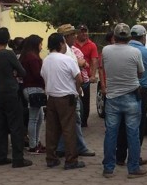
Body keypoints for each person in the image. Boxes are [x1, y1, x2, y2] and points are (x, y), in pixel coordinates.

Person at [100, 23, 146, 179]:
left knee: (111, 133)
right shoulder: (135, 52)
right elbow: (140, 73)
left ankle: (108, 168)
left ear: (114, 36)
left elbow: (103, 68)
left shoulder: (106, 50)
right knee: (133, 133)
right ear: (129, 37)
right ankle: (133, 168)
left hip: (112, 97)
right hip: (132, 96)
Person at [0, 27, 31, 168]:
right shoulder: (9, 54)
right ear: (7, 39)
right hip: (12, 92)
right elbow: (22, 72)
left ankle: (0, 156)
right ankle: (18, 158)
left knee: (0, 125)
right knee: (16, 126)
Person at [41, 33, 85, 170]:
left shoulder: (46, 60)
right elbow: (79, 78)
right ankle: (71, 159)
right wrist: (77, 90)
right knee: (68, 129)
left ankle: (51, 158)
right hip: (66, 97)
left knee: (51, 129)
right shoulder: (67, 60)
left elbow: (43, 76)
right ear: (61, 44)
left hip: (51, 97)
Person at [115, 24, 147, 167]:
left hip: (120, 90)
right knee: (138, 126)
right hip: (140, 92)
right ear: (143, 37)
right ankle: (135, 157)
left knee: (121, 125)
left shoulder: (119, 50)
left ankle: (119, 157)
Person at [55, 24, 94, 157]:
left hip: (70, 90)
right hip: (70, 90)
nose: (75, 36)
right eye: (73, 35)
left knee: (69, 120)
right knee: (75, 119)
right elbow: (75, 72)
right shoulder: (65, 52)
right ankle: (80, 147)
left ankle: (61, 147)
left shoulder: (70, 50)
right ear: (66, 37)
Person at [20, 35, 46, 154]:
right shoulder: (33, 58)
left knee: (39, 117)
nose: (42, 46)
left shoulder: (25, 56)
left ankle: (36, 142)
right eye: (40, 44)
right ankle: (33, 145)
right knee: (34, 118)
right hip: (34, 89)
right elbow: (38, 74)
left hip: (29, 88)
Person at [74, 24, 99, 127]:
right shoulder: (73, 45)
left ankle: (84, 121)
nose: (84, 33)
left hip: (85, 78)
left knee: (85, 100)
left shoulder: (91, 45)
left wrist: (92, 75)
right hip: (74, 77)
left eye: (85, 31)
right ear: (77, 33)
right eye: (82, 31)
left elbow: (94, 60)